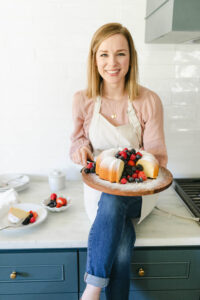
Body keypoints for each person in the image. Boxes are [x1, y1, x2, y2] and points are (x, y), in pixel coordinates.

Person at [70, 23, 168, 300]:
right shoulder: (83, 100)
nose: (112, 63)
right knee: (122, 246)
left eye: (120, 54)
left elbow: (158, 158)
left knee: (115, 198)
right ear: (94, 59)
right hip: (97, 191)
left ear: (131, 58)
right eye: (104, 54)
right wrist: (80, 150)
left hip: (139, 191)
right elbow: (77, 142)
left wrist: (127, 172)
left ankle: (92, 289)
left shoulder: (149, 100)